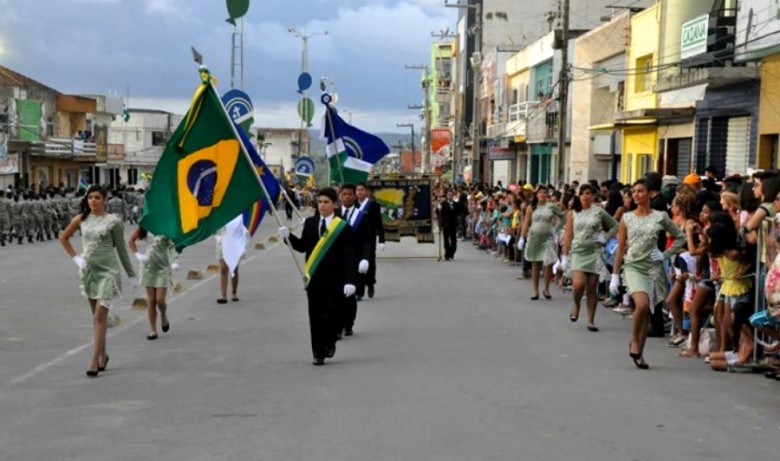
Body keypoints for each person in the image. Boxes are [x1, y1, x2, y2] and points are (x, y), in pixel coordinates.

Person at [59, 185, 137, 377]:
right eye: (90, 198)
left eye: (97, 198)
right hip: (89, 272)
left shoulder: (113, 221)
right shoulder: (81, 219)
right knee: (96, 317)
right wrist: (76, 258)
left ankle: (94, 359)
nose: (93, 201)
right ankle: (103, 354)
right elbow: (64, 238)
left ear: (105, 200)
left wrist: (131, 275)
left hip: (108, 272)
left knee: (101, 315)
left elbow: (121, 249)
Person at [610, 179, 685, 369]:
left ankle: (640, 354)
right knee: (641, 305)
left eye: (640, 191)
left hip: (653, 268)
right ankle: (634, 341)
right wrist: (614, 275)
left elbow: (681, 237)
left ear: (649, 194)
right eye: (634, 191)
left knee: (647, 311)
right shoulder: (627, 218)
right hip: (634, 266)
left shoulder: (660, 216)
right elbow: (620, 248)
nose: (636, 195)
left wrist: (665, 254)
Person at [279, 187, 357, 365]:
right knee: (315, 316)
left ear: (335, 205)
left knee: (332, 314)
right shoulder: (311, 223)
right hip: (313, 278)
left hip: (335, 280)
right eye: (320, 202)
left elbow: (349, 256)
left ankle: (330, 341)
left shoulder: (342, 227)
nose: (322, 205)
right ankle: (318, 353)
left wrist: (350, 281)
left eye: (326, 202)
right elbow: (302, 246)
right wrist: (288, 237)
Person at [561, 184, 618, 331]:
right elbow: (568, 234)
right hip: (578, 252)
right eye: (583, 194)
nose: (585, 196)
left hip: (594, 251)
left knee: (592, 288)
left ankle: (590, 320)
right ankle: (576, 304)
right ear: (579, 196)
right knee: (579, 284)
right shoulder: (573, 212)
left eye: (588, 194)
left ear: (593, 196)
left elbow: (615, 225)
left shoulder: (599, 212)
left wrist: (604, 237)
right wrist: (565, 256)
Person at [129, 226, 177, 340]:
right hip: (148, 267)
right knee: (151, 300)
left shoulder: (166, 225)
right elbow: (131, 240)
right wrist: (138, 255)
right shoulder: (146, 223)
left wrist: (174, 261)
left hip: (163, 267)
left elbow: (172, 245)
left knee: (160, 300)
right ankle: (153, 329)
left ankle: (163, 315)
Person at [520, 185, 565, 300]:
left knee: (548, 263)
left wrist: (556, 228)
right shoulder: (531, 207)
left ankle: (546, 289)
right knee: (535, 264)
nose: (542, 194)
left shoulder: (551, 207)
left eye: (545, 192)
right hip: (534, 237)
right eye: (540, 192)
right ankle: (535, 291)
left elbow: (563, 216)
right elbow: (526, 222)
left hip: (548, 238)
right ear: (536, 194)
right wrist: (522, 237)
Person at [336, 184, 371, 334]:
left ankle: (348, 324)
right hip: (336, 262)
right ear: (340, 196)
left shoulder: (361, 216)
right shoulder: (334, 215)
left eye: (350, 194)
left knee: (349, 295)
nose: (347, 197)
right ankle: (337, 326)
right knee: (336, 295)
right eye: (344, 194)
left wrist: (365, 258)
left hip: (354, 261)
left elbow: (367, 240)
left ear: (355, 196)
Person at [356, 183, 385, 299]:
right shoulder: (353, 205)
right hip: (355, 240)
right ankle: (359, 291)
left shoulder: (373, 206)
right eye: (357, 190)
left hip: (369, 240)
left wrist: (382, 240)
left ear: (366, 192)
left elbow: (379, 224)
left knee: (369, 264)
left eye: (361, 190)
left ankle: (371, 284)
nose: (359, 192)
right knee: (358, 265)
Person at [439, 189, 461, 260]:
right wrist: (438, 209)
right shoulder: (443, 204)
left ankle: (452, 252)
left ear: (453, 196)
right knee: (446, 240)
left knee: (453, 240)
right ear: (447, 196)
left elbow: (458, 213)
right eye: (448, 195)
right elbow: (440, 214)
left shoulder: (456, 204)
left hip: (453, 224)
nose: (450, 196)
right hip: (446, 224)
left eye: (451, 195)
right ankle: (447, 254)